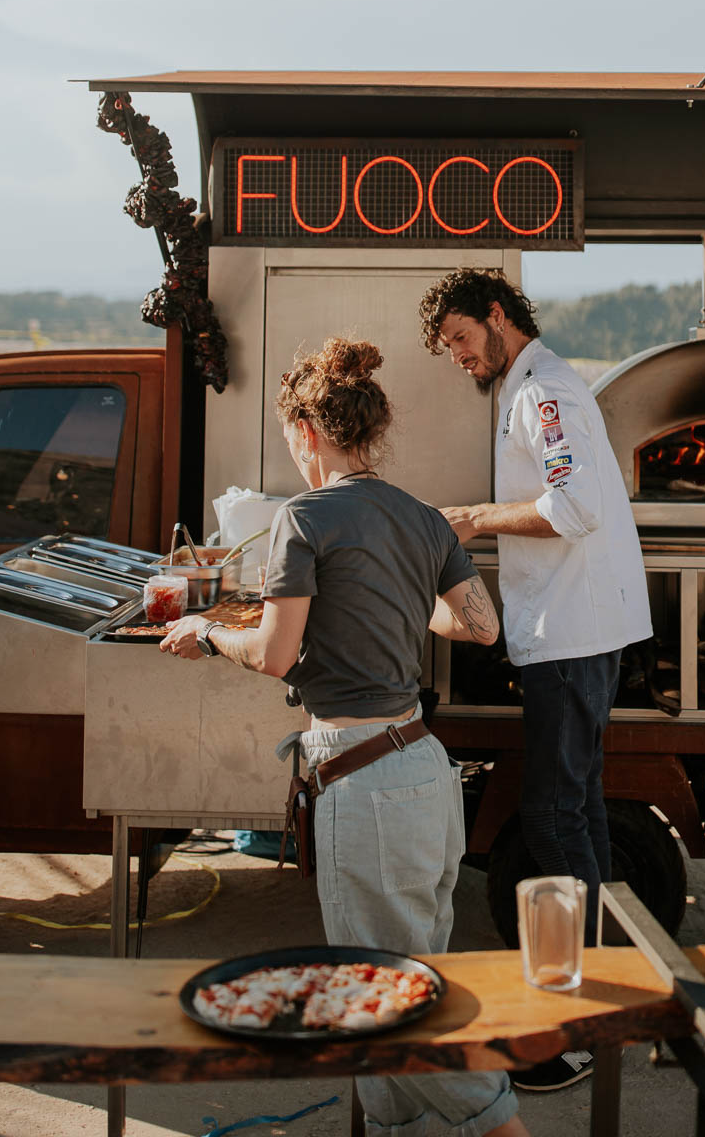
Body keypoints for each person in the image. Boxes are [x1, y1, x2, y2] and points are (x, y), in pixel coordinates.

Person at [161, 336, 529, 1137]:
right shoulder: (420, 517)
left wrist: (205, 631)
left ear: (307, 432)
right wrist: (398, 603)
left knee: (379, 999)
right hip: (426, 772)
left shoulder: (305, 517)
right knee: (413, 978)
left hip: (364, 783)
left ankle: (503, 1126)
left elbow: (274, 654)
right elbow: (481, 624)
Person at [418, 269, 653, 1096]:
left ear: (495, 316)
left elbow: (573, 507)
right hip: (574, 629)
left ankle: (573, 1025)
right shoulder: (535, 386)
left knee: (554, 813)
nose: (454, 356)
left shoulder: (544, 392)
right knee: (577, 806)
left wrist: (472, 518)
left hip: (570, 632)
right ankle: (604, 995)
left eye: (457, 337)